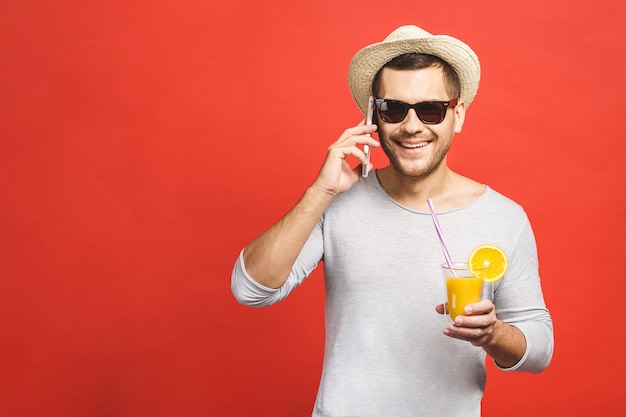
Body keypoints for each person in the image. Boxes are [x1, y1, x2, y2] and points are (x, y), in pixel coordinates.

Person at [231, 25, 553, 416]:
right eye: (393, 109)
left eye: (431, 109)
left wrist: (494, 333)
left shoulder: (503, 217)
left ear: (458, 114)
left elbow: (539, 348)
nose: (412, 126)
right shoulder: (337, 202)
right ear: (374, 116)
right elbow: (251, 290)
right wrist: (320, 193)